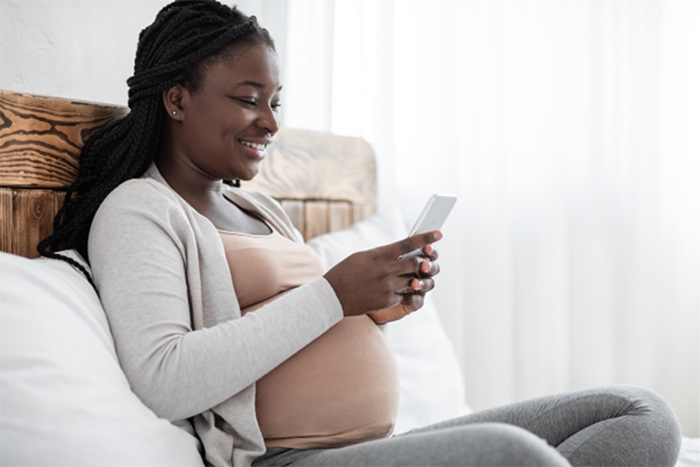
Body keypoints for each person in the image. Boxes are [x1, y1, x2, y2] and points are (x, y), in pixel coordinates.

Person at [39, 1, 682, 466]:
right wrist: (336, 295)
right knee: (514, 457)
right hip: (286, 460)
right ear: (177, 100)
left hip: (377, 447)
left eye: (276, 101)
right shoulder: (139, 211)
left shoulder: (263, 210)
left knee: (640, 414)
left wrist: (378, 310)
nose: (269, 122)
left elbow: (307, 325)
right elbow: (164, 377)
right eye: (247, 97)